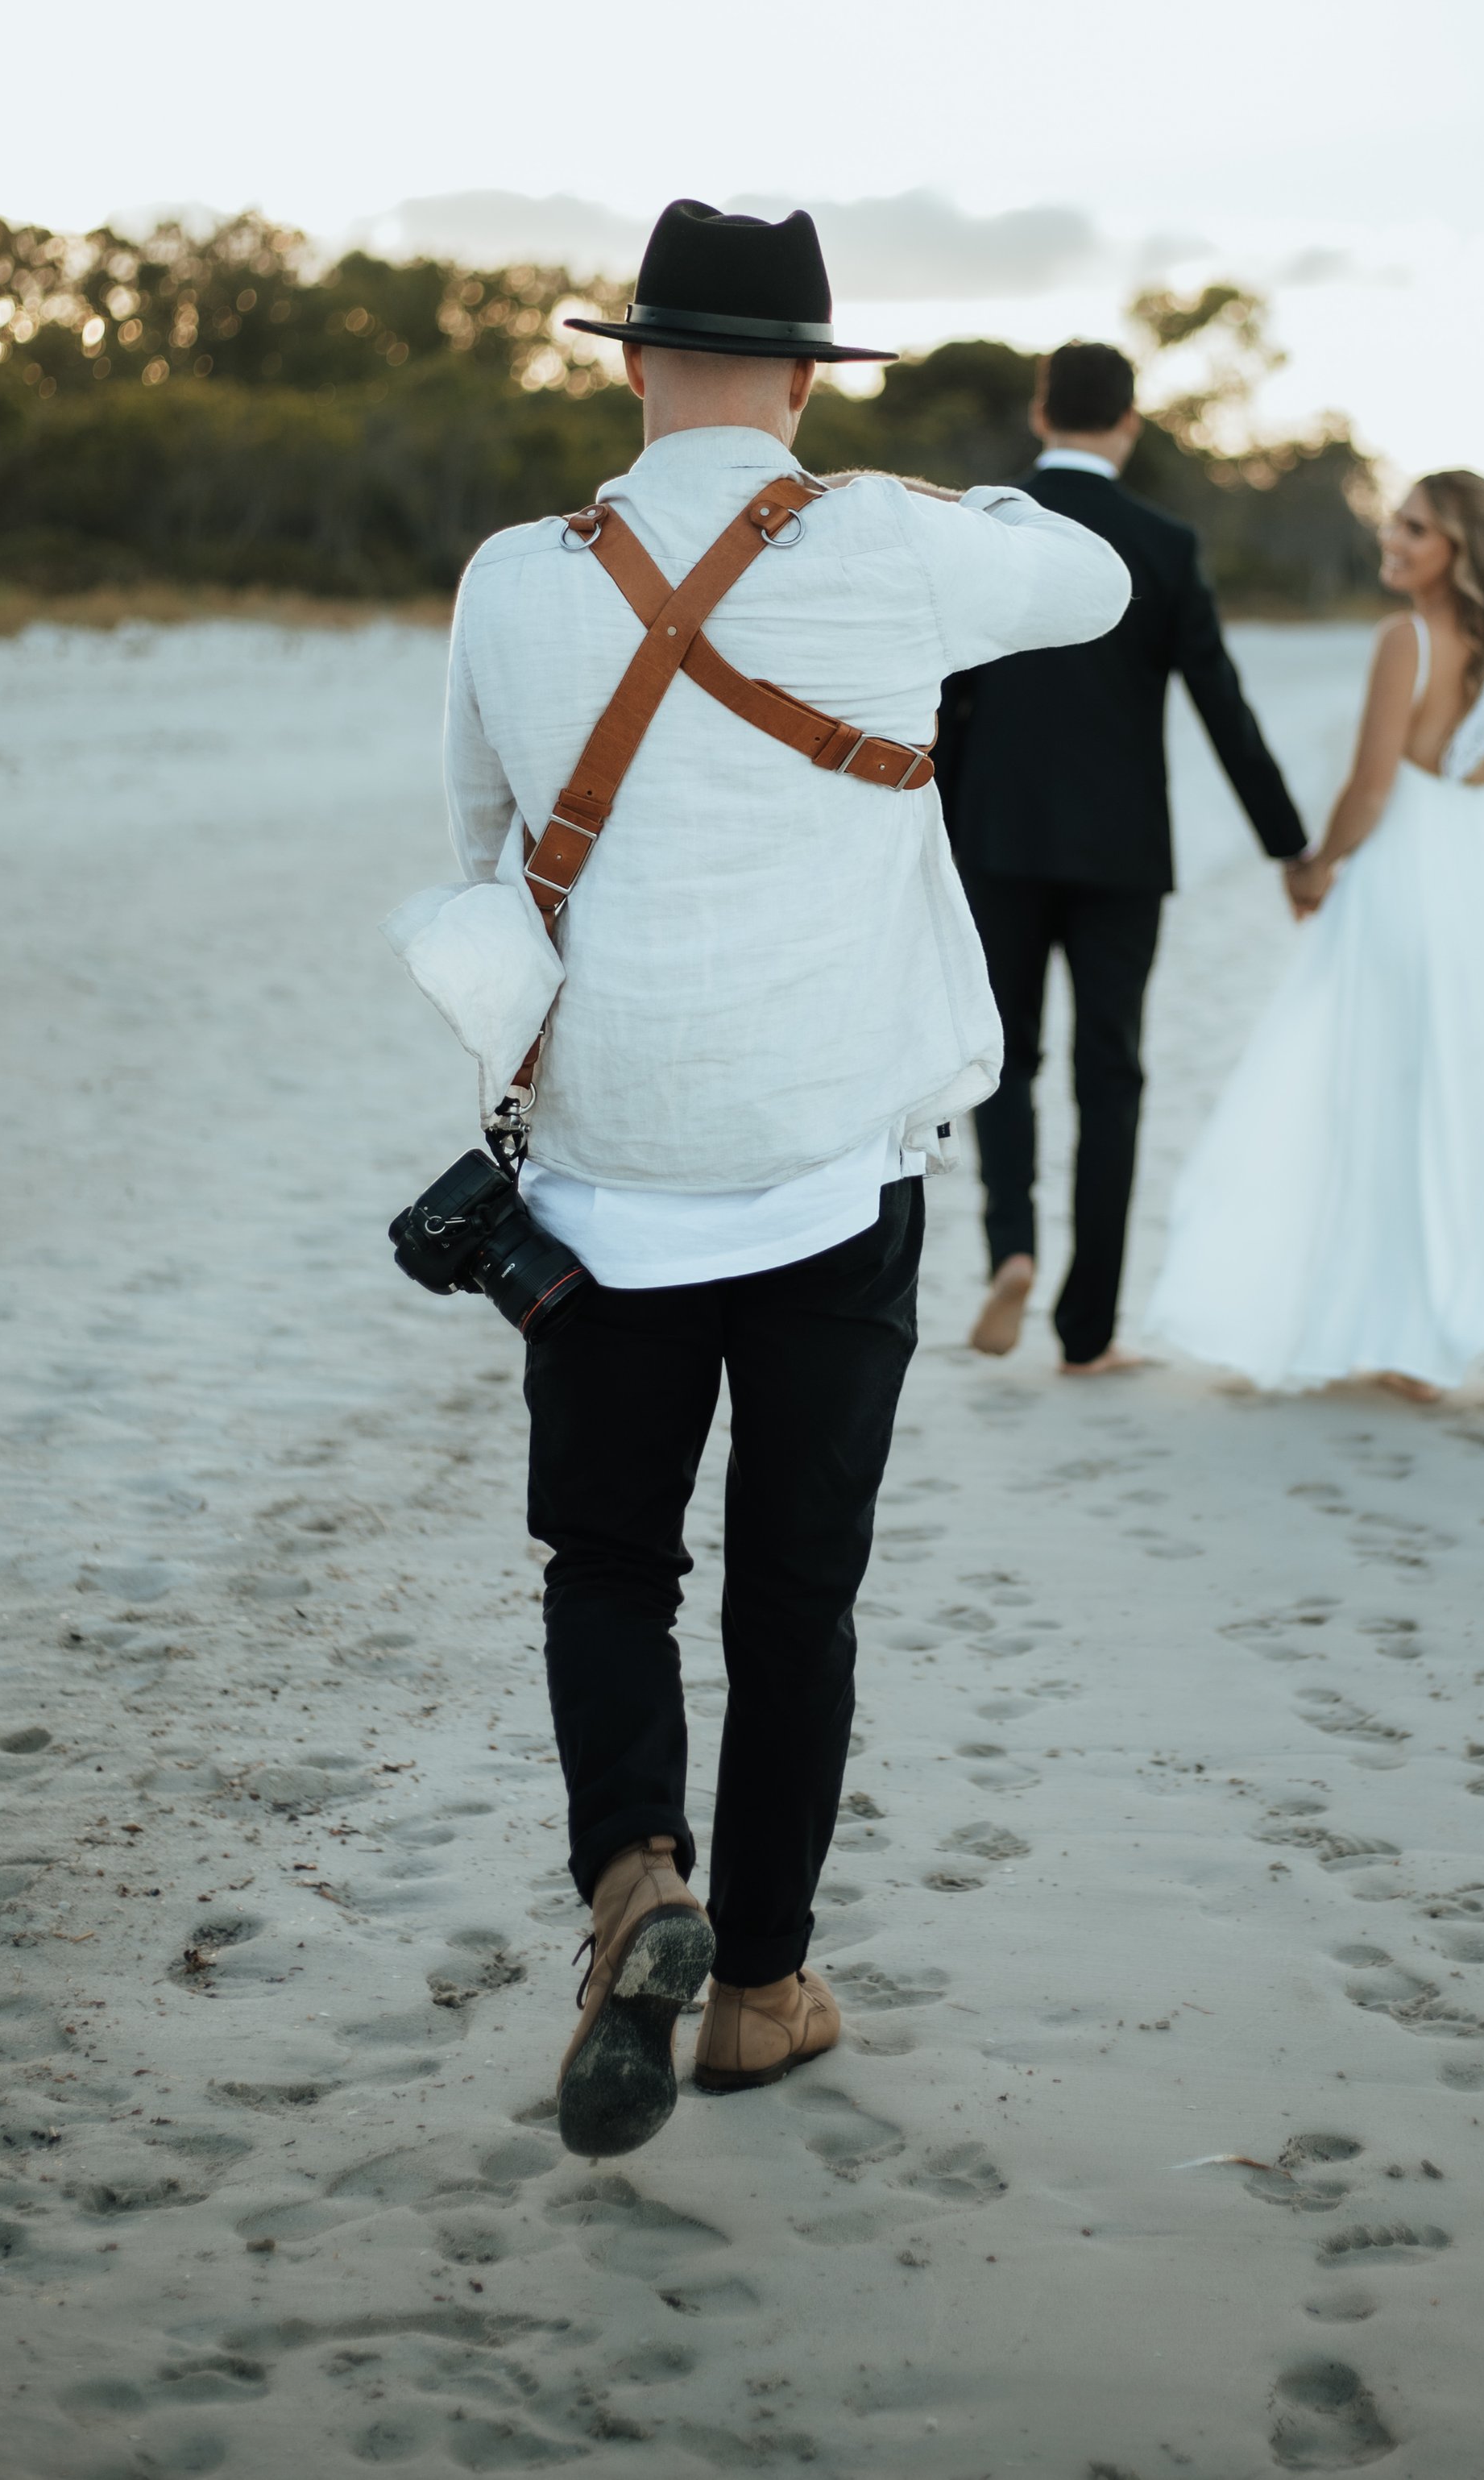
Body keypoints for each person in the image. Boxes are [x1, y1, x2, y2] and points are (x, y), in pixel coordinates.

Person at [441, 201, 1129, 2158]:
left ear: (634, 361)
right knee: (795, 1594)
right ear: (810, 379)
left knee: (607, 1561)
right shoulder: (894, 547)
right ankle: (757, 1991)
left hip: (600, 1171)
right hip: (830, 1169)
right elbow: (1081, 573)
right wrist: (920, 494)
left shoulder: (513, 575)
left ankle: (633, 1882)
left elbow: (486, 841)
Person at [1146, 470, 1484, 1400]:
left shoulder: (1405, 641)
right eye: (1398, 521)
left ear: (1459, 551)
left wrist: (1315, 864)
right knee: (1479, 1110)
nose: (1394, 537)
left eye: (1416, 528)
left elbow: (1371, 790)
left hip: (1408, 897)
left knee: (1393, 1103)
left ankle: (1419, 1331)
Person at [934, 341, 1309, 1375]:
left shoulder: (983, 528)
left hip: (996, 839)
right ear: (1129, 426)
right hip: (1120, 851)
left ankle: (1011, 1246)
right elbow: (1220, 707)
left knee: (1003, 1058)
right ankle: (1086, 1331)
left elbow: (940, 697)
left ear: (1040, 413)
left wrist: (931, 828)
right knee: (1113, 1077)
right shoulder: (1165, 542)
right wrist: (1289, 844)